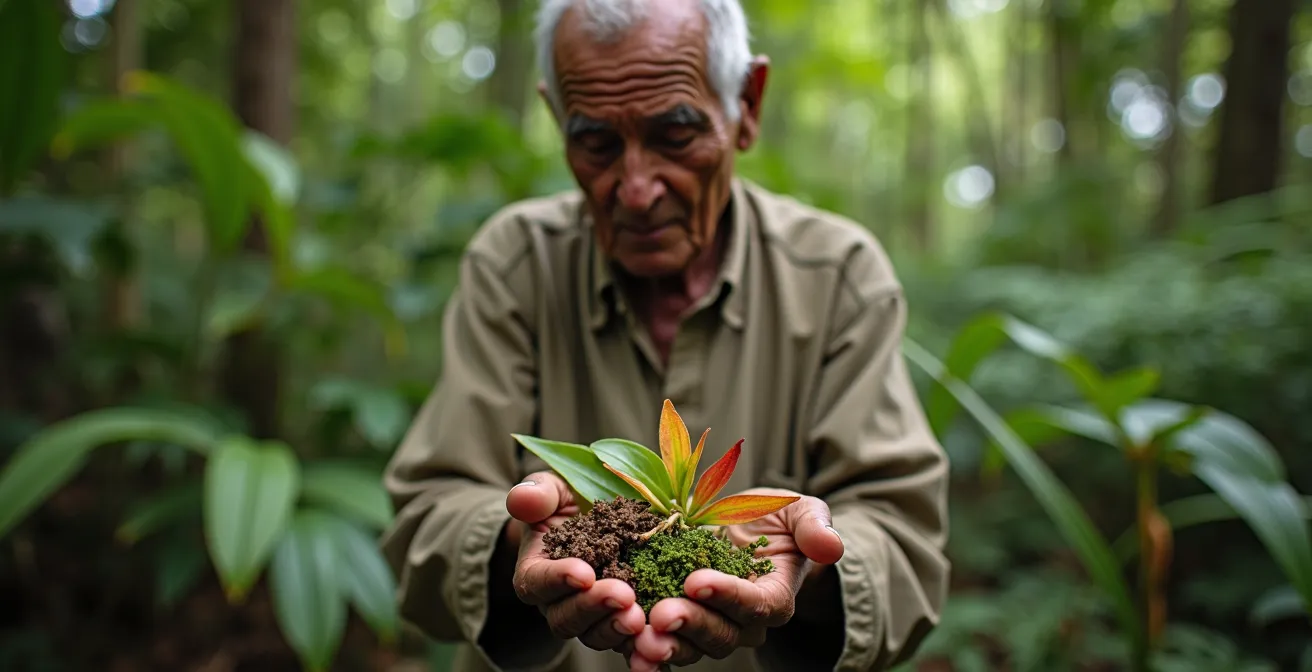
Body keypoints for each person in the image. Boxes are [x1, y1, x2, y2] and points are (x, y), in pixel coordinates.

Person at [379, 0, 950, 670]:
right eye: (595, 143)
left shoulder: (839, 276)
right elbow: (426, 517)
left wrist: (810, 571)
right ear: (556, 119)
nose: (637, 188)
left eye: (675, 135)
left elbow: (903, 536)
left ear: (747, 105)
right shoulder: (515, 266)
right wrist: (519, 540)